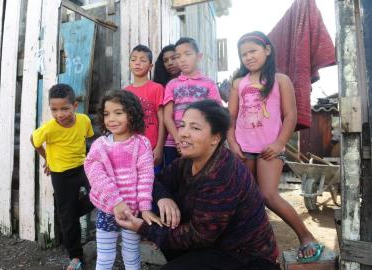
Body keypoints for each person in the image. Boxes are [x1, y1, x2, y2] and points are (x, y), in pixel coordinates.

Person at [115, 100, 281, 270]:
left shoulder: (223, 174)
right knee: (165, 212)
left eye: (195, 128)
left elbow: (199, 236)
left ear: (215, 137)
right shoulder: (186, 162)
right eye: (183, 125)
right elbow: (154, 181)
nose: (184, 134)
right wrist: (164, 198)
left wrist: (145, 229)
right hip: (213, 245)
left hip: (245, 256)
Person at [226, 31, 323, 262]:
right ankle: (255, 246)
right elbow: (230, 117)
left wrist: (279, 143)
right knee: (246, 200)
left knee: (269, 195)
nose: (248, 57)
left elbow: (290, 115)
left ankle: (306, 236)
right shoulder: (238, 83)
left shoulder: (280, 80)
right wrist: (232, 143)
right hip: (243, 148)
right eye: (243, 54)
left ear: (267, 50)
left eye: (253, 51)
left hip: (270, 149)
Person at [84, 90, 162, 270]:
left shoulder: (141, 143)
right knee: (104, 256)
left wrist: (144, 208)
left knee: (132, 253)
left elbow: (146, 176)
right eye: (106, 114)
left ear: (132, 114)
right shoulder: (100, 146)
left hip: (133, 211)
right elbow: (96, 175)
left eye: (118, 113)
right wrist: (116, 202)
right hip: (107, 210)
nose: (111, 118)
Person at [30, 84, 94, 270]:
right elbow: (34, 141)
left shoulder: (84, 121)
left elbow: (87, 138)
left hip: (83, 168)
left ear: (75, 106)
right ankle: (75, 256)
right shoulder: (49, 128)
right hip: (61, 174)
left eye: (64, 108)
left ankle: (71, 214)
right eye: (54, 110)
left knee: (98, 197)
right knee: (67, 217)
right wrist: (48, 159)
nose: (59, 114)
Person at [163, 37, 222, 166]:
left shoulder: (209, 84)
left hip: (199, 142)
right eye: (178, 56)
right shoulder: (172, 84)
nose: (182, 59)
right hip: (174, 144)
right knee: (174, 181)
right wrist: (178, 140)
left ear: (199, 56)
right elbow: (167, 117)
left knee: (200, 180)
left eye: (187, 54)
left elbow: (216, 115)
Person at [125, 45, 165, 173]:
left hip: (151, 149)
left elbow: (162, 120)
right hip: (130, 149)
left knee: (152, 186)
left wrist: (159, 147)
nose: (137, 63)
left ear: (150, 66)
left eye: (143, 60)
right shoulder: (125, 92)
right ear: (129, 64)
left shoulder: (157, 89)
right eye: (133, 59)